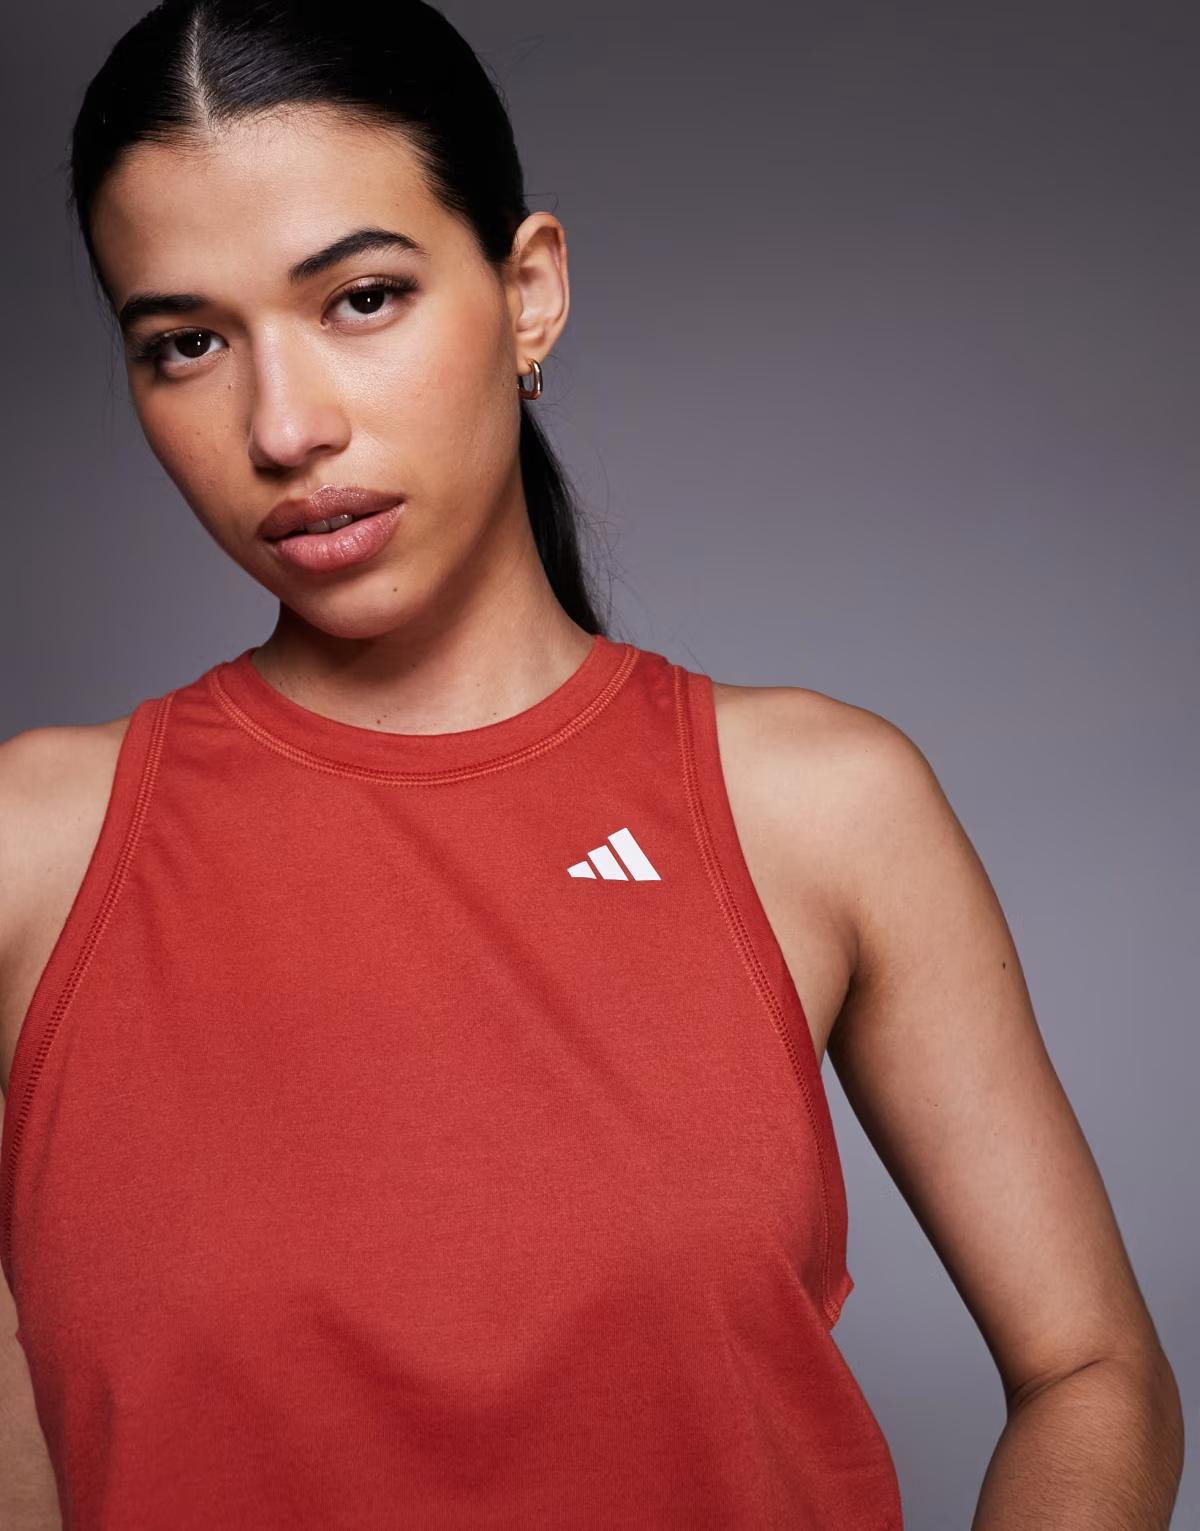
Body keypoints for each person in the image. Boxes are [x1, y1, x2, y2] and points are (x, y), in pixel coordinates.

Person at [0, 2, 1183, 1528]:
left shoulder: (816, 808)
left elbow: (1095, 1371)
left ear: (529, 292)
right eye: (187, 344)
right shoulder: (34, 853)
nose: (283, 429)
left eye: (362, 298)